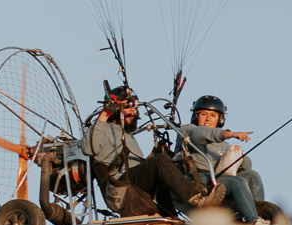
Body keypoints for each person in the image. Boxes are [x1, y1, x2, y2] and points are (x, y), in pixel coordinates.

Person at [84, 85, 221, 218]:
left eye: (134, 107)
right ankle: (195, 198)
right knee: (160, 161)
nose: (133, 111)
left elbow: (136, 166)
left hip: (133, 182)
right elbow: (89, 148)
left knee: (165, 167)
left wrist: (154, 153)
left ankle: (174, 219)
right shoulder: (103, 128)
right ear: (115, 109)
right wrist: (105, 113)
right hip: (120, 186)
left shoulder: (127, 135)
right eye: (127, 107)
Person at [175, 95, 262, 225]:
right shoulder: (187, 130)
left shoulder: (223, 145)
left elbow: (244, 167)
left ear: (220, 119)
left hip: (219, 180)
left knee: (252, 175)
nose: (208, 119)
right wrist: (228, 134)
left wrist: (239, 157)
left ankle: (260, 216)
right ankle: (254, 222)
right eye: (203, 114)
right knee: (237, 182)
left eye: (213, 115)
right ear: (196, 116)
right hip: (199, 180)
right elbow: (200, 134)